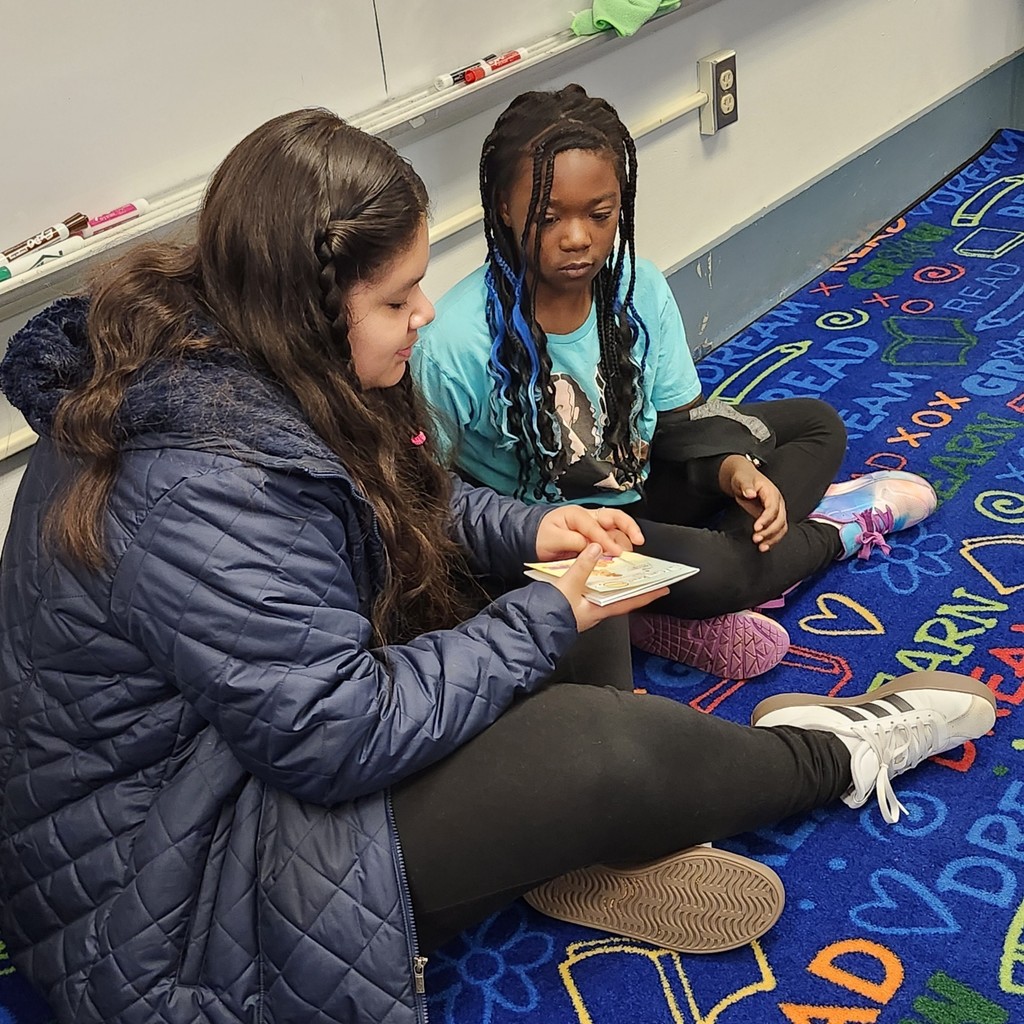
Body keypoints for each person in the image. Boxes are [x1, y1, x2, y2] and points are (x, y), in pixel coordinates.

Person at [0, 108, 996, 1024]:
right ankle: (829, 753)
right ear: (306, 311)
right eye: (396, 297)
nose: (425, 311)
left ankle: (584, 829)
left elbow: (400, 501)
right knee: (585, 738)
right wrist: (540, 617)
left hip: (239, 754)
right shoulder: (196, 475)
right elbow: (336, 733)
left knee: (588, 575)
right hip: (169, 888)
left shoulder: (246, 368)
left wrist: (532, 531)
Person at [411, 84, 938, 678]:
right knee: (722, 572)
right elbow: (433, 504)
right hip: (555, 538)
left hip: (640, 484)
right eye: (548, 216)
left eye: (600, 214)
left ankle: (668, 597)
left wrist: (729, 470)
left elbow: (677, 430)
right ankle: (827, 534)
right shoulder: (451, 344)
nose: (578, 237)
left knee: (817, 425)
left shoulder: (640, 287)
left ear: (622, 206)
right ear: (503, 210)